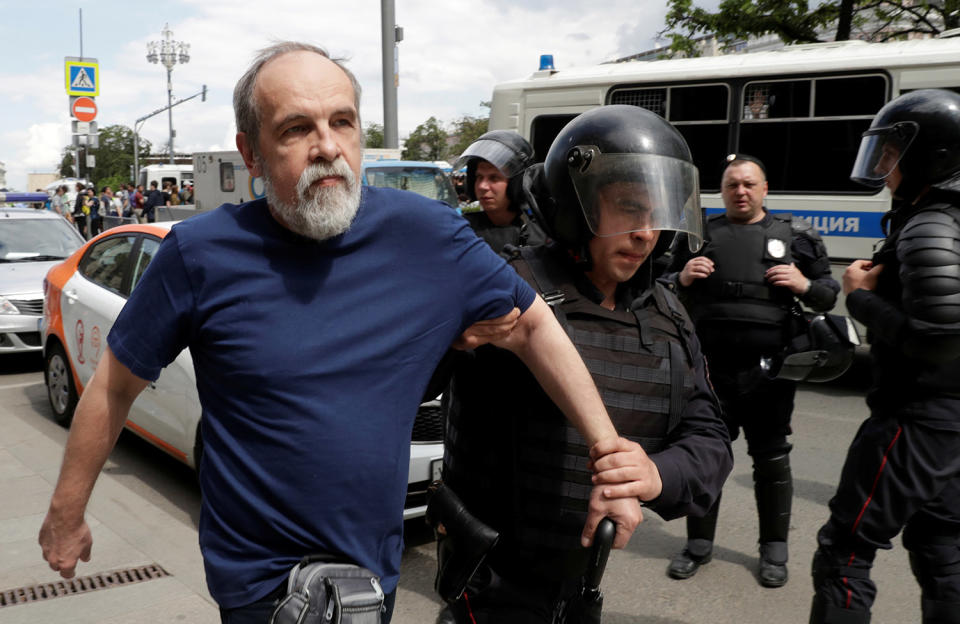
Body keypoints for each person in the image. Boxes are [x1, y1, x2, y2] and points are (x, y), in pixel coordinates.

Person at [37, 42, 643, 624]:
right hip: (257, 588)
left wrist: (608, 454)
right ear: (251, 154)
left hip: (370, 577)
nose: (327, 147)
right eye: (296, 128)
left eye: (342, 122)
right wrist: (67, 510)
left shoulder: (427, 236)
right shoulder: (200, 255)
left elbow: (534, 324)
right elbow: (114, 386)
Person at [436, 105, 733, 623]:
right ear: (577, 203)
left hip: (580, 585)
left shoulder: (668, 316)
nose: (646, 233)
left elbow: (710, 440)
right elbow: (410, 384)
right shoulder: (507, 288)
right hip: (492, 579)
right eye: (627, 208)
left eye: (657, 212)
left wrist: (653, 473)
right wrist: (451, 336)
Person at [809, 89, 960, 624]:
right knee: (942, 548)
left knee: (843, 553)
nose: (886, 167)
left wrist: (860, 298)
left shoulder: (932, 225)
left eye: (894, 153)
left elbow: (940, 337)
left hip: (915, 421)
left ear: (930, 156)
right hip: (947, 423)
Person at [664, 153, 839, 587]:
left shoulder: (796, 237)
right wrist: (682, 277)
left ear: (764, 190)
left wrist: (804, 285)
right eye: (731, 185)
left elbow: (828, 294)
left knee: (772, 461)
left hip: (770, 374)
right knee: (706, 458)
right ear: (720, 192)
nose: (740, 192)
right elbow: (658, 286)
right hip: (710, 372)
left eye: (748, 184)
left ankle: (773, 550)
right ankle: (698, 545)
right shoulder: (697, 236)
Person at [453, 130, 548, 254]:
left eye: (494, 178)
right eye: (479, 177)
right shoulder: (462, 230)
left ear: (516, 183)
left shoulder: (541, 235)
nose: (483, 186)